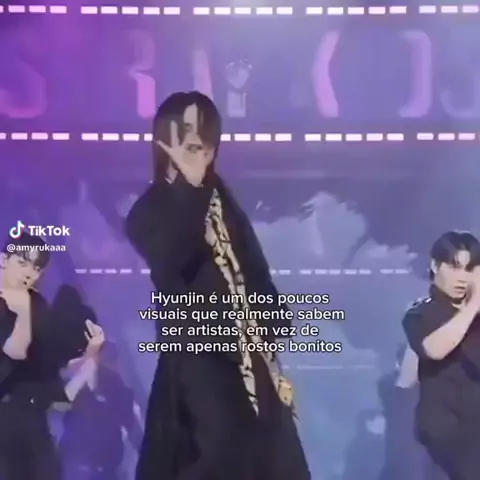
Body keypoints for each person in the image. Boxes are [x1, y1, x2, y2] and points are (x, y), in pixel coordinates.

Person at [126, 91, 310, 480]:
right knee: (219, 455)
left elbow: (253, 272)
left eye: (205, 131)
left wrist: (273, 356)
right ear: (164, 136)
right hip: (201, 358)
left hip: (251, 356)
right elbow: (169, 262)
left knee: (279, 462)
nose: (197, 140)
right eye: (186, 129)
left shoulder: (223, 202)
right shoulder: (149, 210)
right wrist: (190, 188)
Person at [0, 233, 105, 480]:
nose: (29, 273)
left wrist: (91, 351)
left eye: (36, 269)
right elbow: (15, 351)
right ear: (3, 260)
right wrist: (23, 311)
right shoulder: (24, 305)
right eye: (22, 263)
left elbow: (52, 366)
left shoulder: (38, 306)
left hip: (32, 421)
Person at [403, 230, 480, 480]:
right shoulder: (420, 313)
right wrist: (473, 305)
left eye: (470, 269)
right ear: (435, 266)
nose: (462, 278)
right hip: (448, 429)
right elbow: (434, 349)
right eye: (454, 267)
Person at [59, 340, 142, 480]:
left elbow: (135, 432)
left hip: (107, 470)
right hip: (74, 468)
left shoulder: (120, 393)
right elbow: (60, 403)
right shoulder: (77, 390)